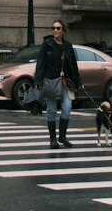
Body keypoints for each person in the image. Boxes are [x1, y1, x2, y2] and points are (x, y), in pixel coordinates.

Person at [34, 18, 81, 149]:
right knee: (51, 110)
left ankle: (62, 136)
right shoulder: (47, 44)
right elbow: (40, 63)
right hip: (50, 81)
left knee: (67, 107)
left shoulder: (67, 46)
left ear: (63, 31)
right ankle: (53, 139)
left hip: (65, 82)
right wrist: (38, 80)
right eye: (53, 28)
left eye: (58, 28)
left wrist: (77, 81)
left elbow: (73, 64)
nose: (55, 30)